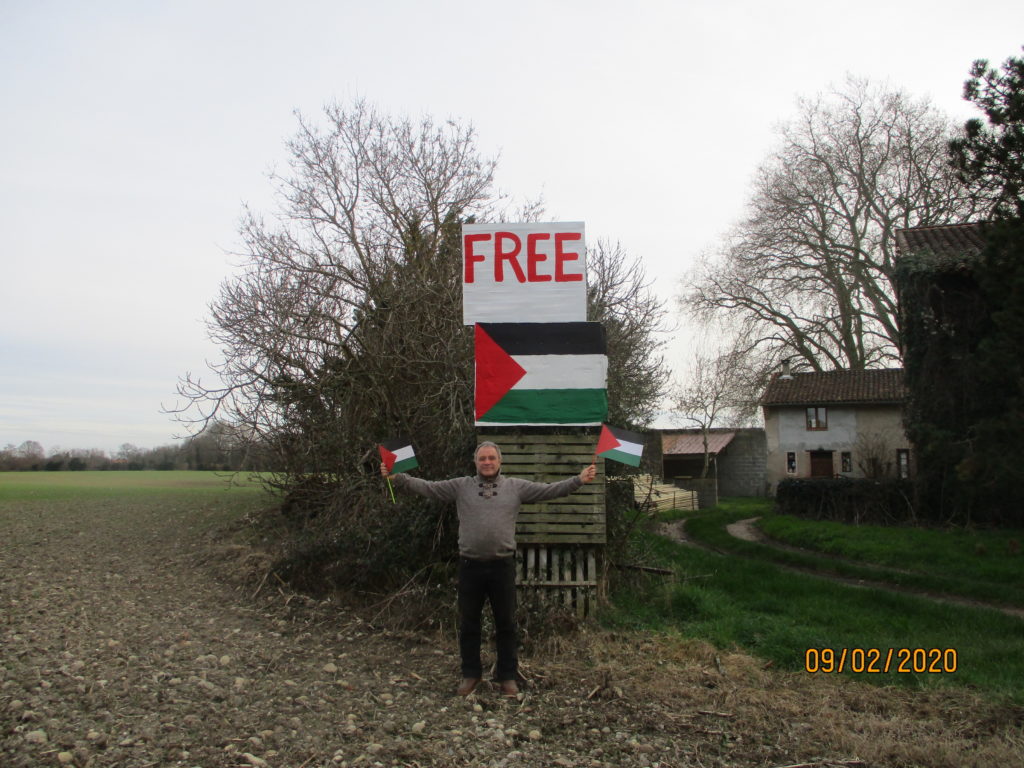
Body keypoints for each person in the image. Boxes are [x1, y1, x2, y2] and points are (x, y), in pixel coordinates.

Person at [381, 440, 596, 697]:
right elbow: (429, 488)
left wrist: (578, 480)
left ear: (499, 461)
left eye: (491, 458)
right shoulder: (461, 486)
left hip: (501, 567)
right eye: (482, 458)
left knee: (506, 625)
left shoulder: (516, 487)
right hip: (470, 566)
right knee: (469, 624)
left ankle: (507, 677)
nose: (487, 462)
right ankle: (470, 674)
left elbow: (549, 490)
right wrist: (398, 477)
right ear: (475, 462)